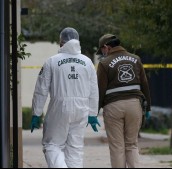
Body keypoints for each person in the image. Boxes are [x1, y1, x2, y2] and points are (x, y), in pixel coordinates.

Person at [30, 27, 100, 168]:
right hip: (81, 109)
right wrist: (92, 114)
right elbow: (94, 90)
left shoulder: (52, 61)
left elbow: (41, 90)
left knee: (52, 144)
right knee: (75, 148)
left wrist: (36, 113)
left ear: (60, 42)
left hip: (59, 107)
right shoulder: (87, 62)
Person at [96, 34, 151, 168]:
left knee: (117, 147)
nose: (102, 54)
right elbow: (144, 84)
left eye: (102, 50)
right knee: (131, 144)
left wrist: (94, 111)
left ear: (106, 47)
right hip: (134, 105)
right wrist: (148, 107)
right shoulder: (135, 59)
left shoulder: (104, 63)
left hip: (113, 107)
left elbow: (100, 90)